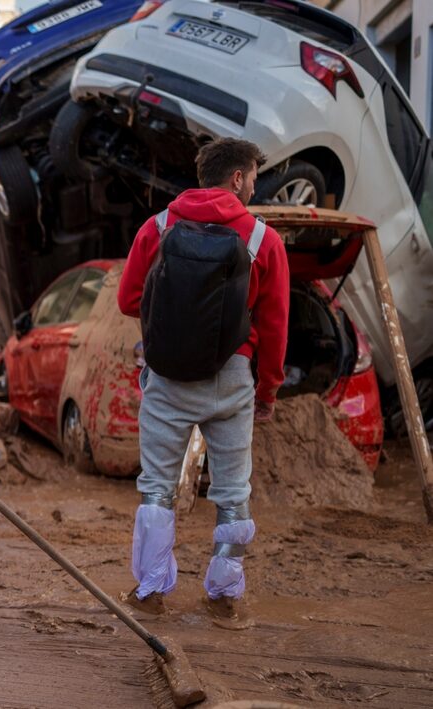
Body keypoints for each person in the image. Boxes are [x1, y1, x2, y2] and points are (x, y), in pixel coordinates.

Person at [116, 138, 289, 626]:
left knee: (156, 488)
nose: (256, 184)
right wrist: (268, 389)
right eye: (254, 175)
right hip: (232, 377)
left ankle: (150, 591)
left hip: (168, 374)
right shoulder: (264, 240)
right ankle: (224, 594)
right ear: (236, 178)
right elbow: (275, 327)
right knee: (233, 492)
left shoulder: (158, 226)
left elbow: (129, 300)